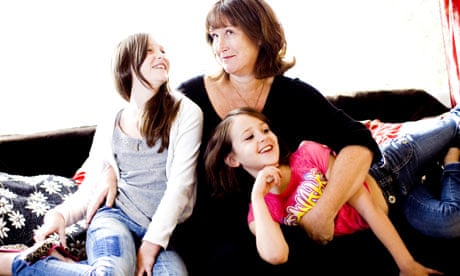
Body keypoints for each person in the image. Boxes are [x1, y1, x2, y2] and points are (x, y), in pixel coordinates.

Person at [173, 0, 382, 274]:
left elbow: (358, 142)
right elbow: (142, 135)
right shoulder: (190, 97)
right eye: (214, 35)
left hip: (285, 224)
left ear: (258, 34)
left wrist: (325, 210)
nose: (219, 46)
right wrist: (107, 168)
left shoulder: (294, 95)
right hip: (217, 236)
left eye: (229, 33)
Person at [0, 32, 203, 276]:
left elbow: (181, 186)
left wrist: (149, 247)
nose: (161, 55)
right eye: (150, 51)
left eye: (163, 51)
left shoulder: (187, 113)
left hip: (161, 235)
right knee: (111, 274)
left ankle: (68, 267)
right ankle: (22, 264)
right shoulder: (111, 118)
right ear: (127, 63)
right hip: (114, 219)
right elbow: (93, 183)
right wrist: (61, 215)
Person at [204, 106, 460, 275]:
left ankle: (444, 144)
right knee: (449, 221)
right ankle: (449, 161)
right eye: (249, 137)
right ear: (232, 159)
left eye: (265, 129)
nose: (263, 137)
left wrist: (406, 263)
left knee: (455, 123)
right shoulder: (260, 212)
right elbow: (276, 255)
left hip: (392, 165)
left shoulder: (308, 154)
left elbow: (366, 204)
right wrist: (257, 196)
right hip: (402, 202)